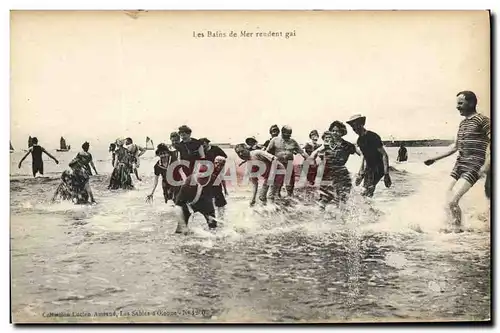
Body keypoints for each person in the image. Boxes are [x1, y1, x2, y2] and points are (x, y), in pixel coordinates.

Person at [424, 91, 490, 232]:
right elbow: (455, 147)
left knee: (453, 201)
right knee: (444, 196)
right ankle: (453, 225)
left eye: (460, 103)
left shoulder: (482, 120)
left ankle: (457, 232)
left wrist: (487, 164)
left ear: (471, 103)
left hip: (474, 166)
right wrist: (434, 159)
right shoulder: (463, 123)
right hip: (459, 165)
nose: (457, 107)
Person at [309, 122, 359, 210]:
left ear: (342, 132)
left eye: (338, 131)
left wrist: (360, 170)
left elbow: (361, 154)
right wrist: (313, 166)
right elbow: (313, 154)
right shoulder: (327, 144)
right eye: (333, 131)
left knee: (343, 198)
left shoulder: (347, 145)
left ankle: (341, 219)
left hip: (341, 173)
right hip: (328, 173)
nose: (335, 133)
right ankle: (321, 220)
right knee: (324, 198)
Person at [346, 114, 392, 197]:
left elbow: (384, 155)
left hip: (379, 167)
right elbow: (364, 157)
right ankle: (367, 208)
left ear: (361, 124)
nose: (355, 129)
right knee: (363, 190)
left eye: (356, 126)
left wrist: (386, 174)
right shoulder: (359, 140)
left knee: (368, 189)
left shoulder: (373, 136)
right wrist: (361, 173)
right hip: (369, 168)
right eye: (353, 127)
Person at [265, 125, 309, 198]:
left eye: (289, 134)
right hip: (278, 164)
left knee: (290, 181)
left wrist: (310, 159)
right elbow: (267, 152)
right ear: (282, 132)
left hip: (289, 164)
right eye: (286, 134)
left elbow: (302, 152)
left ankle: (290, 196)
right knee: (277, 181)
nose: (288, 136)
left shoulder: (293, 141)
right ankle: (276, 195)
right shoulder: (275, 140)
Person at [174, 164, 219, 234]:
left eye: (205, 178)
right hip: (188, 204)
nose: (202, 181)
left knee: (214, 229)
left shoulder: (215, 180)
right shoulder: (188, 183)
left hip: (206, 204)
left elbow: (221, 202)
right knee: (180, 231)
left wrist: (221, 218)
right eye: (200, 178)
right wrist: (183, 225)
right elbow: (178, 206)